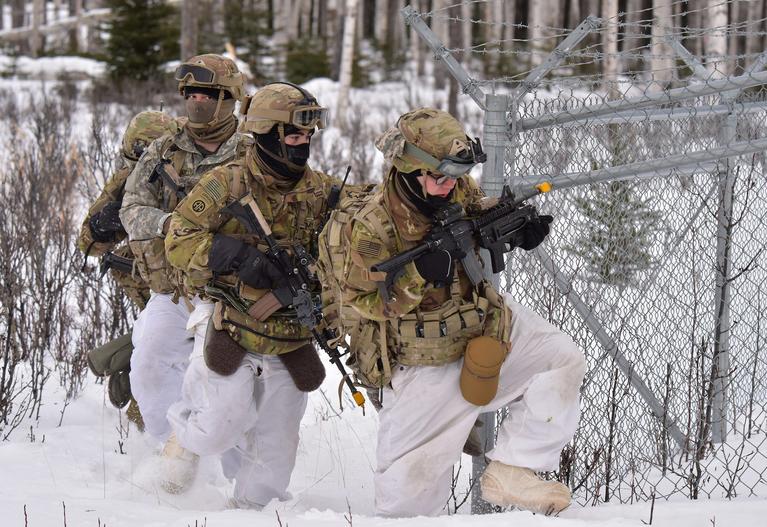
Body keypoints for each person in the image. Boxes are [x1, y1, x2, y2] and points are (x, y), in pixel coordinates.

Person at [326, 108, 586, 517]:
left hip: (483, 323)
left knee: (561, 360)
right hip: (422, 359)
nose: (450, 186)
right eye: (439, 177)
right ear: (410, 169)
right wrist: (417, 275)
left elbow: (475, 211)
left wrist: (511, 227)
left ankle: (514, 469)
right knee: (406, 505)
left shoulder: (453, 186)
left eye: (457, 175)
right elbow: (363, 302)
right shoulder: (372, 226)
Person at [163, 82, 338, 508]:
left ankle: (252, 512)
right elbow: (178, 239)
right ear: (266, 133)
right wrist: (235, 256)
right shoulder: (227, 183)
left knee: (277, 446)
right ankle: (182, 440)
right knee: (218, 426)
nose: (303, 143)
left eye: (308, 135)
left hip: (291, 332)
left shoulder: (323, 192)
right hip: (231, 320)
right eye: (293, 135)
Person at [118, 54, 248, 456]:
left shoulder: (254, 151)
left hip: (234, 293)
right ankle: (171, 451)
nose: (197, 100)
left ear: (229, 97)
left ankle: (235, 471)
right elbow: (130, 208)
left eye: (207, 93)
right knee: (149, 364)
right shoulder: (163, 150)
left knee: (225, 382)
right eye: (190, 92)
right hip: (175, 290)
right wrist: (169, 224)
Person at [79, 110, 178, 426]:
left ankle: (126, 363)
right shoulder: (126, 179)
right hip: (148, 277)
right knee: (158, 345)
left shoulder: (192, 172)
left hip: (192, 275)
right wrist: (104, 223)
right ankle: (143, 421)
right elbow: (87, 243)